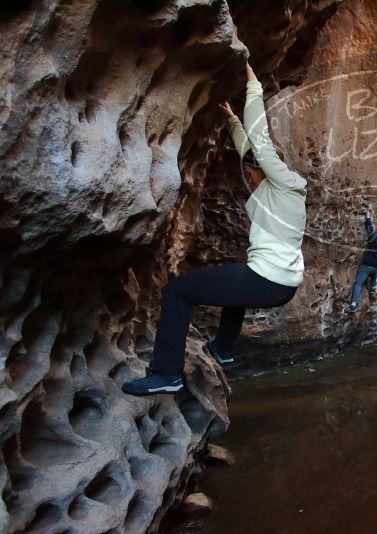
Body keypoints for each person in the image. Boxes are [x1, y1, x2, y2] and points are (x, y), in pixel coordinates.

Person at [122, 62, 307, 395]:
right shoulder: (284, 190)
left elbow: (260, 145)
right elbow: (251, 151)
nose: (248, 175)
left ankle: (167, 374)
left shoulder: (279, 180)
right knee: (234, 284)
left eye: (251, 171)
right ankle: (223, 349)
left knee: (178, 291)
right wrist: (231, 119)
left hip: (268, 280)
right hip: (281, 284)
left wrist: (253, 86)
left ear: (263, 169)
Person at [345, 208, 377, 313]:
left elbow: (369, 227)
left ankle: (353, 306)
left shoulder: (375, 238)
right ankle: (373, 287)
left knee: (358, 284)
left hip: (367, 267)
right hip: (376, 268)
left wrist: (368, 215)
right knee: (374, 274)